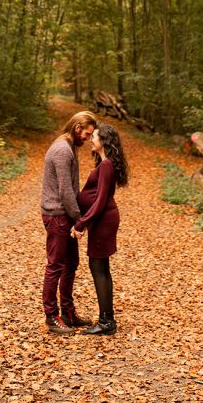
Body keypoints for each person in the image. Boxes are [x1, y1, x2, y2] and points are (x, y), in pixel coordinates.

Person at [41, 110, 97, 334]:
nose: (88, 138)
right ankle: (51, 316)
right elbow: (65, 191)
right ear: (77, 128)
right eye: (87, 133)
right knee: (55, 265)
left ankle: (68, 312)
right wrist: (79, 220)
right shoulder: (63, 150)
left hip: (65, 214)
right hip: (57, 215)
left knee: (71, 263)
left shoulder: (68, 146)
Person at [71, 121, 129, 336]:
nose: (91, 140)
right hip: (103, 220)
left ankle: (106, 321)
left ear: (103, 141)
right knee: (101, 269)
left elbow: (101, 201)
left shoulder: (106, 166)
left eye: (94, 136)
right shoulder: (106, 163)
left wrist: (81, 223)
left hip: (103, 221)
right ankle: (107, 319)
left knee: (99, 269)